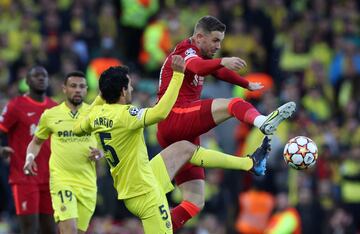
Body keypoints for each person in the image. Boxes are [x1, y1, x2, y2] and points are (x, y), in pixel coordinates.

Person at [72, 55, 271, 233]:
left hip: (140, 179)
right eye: (129, 86)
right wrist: (177, 76)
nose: (132, 88)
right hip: (146, 195)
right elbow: (160, 113)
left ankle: (250, 163)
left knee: (184, 148)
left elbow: (78, 127)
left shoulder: (95, 115)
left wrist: (102, 95)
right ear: (123, 91)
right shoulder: (126, 114)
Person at [156, 15, 296, 230]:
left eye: (220, 41)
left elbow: (216, 71)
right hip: (176, 116)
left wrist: (246, 82)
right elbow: (202, 68)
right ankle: (263, 122)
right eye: (215, 41)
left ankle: (159, 229)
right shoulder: (186, 52)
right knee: (234, 104)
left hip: (180, 130)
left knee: (194, 201)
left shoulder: (198, 53)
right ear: (199, 37)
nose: (218, 46)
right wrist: (224, 60)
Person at [23, 71, 98, 234]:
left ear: (86, 90)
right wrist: (29, 158)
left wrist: (100, 154)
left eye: (81, 87)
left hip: (88, 183)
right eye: (73, 86)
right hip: (62, 180)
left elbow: (108, 146)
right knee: (69, 230)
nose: (77, 90)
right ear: (64, 89)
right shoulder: (50, 115)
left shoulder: (94, 114)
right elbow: (36, 142)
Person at [0, 66, 56, 234]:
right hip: (24, 177)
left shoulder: (55, 107)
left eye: (44, 76)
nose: (41, 79)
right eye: (36, 76)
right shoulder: (15, 106)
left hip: (50, 177)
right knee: (29, 229)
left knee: (50, 229)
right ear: (27, 81)